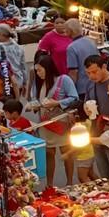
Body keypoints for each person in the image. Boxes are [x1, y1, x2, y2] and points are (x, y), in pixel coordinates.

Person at [30, 53, 78, 188]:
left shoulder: (64, 80)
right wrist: (33, 105)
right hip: (45, 124)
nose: (38, 73)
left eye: (40, 70)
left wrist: (57, 103)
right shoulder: (38, 82)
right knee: (48, 153)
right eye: (36, 70)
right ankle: (49, 185)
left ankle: (70, 183)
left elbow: (74, 98)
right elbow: (36, 99)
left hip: (61, 123)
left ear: (48, 68)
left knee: (66, 152)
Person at [83, 54, 109, 180]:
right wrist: (86, 108)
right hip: (96, 131)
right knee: (104, 171)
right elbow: (86, 102)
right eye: (88, 73)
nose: (91, 76)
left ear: (104, 67)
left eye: (94, 72)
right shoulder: (90, 84)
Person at [64, 18, 98, 96]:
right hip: (95, 83)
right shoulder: (90, 41)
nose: (65, 32)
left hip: (82, 87)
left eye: (66, 30)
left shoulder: (71, 48)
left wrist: (70, 91)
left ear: (70, 30)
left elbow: (73, 72)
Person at [0, 23, 27, 95]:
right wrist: (25, 82)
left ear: (2, 34)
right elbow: (23, 66)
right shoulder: (19, 47)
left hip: (6, 81)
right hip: (19, 80)